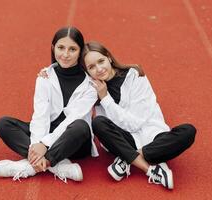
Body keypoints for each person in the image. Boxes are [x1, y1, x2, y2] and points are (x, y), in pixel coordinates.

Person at [80, 41, 196, 189]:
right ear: (87, 71)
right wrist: (50, 72)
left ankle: (127, 159)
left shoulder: (134, 75)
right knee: (98, 123)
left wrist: (106, 99)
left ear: (109, 57)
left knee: (188, 131)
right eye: (91, 67)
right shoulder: (94, 90)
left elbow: (136, 124)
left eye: (101, 61)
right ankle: (150, 168)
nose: (99, 69)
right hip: (126, 139)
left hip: (153, 136)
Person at [0, 27, 98, 183]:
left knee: (80, 126)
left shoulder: (90, 84)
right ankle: (53, 164)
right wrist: (37, 144)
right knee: (3, 124)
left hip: (74, 142)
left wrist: (44, 144)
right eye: (61, 47)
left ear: (80, 51)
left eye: (72, 49)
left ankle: (30, 166)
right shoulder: (45, 77)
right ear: (53, 48)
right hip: (46, 133)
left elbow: (72, 119)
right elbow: (40, 115)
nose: (65, 54)